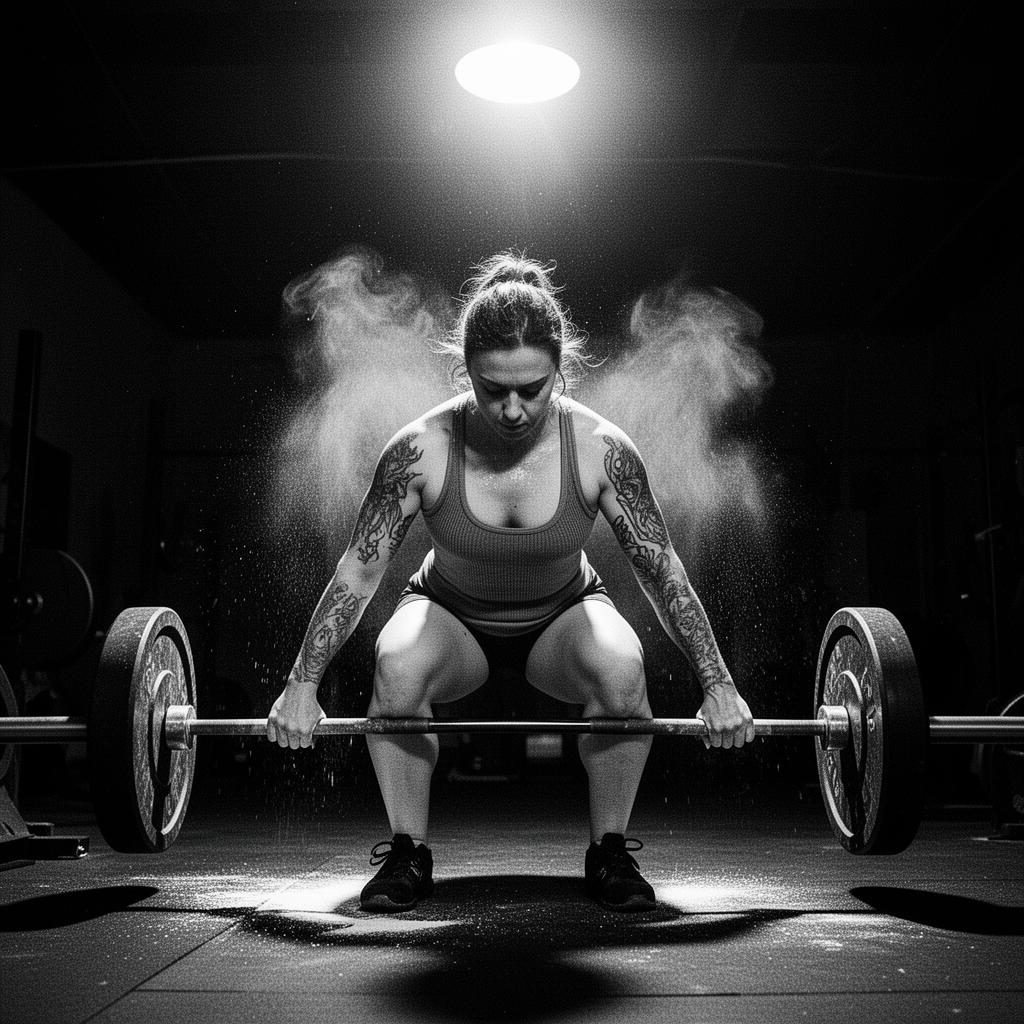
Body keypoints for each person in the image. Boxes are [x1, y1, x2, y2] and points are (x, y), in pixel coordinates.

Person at [267, 253, 755, 913]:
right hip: (450, 617)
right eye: (495, 389)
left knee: (622, 668)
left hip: (563, 617)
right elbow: (359, 569)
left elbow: (662, 570)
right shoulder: (419, 450)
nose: (516, 408)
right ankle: (408, 852)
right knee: (397, 663)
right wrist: (301, 684)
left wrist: (719, 685)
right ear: (465, 367)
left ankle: (609, 851)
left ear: (561, 366)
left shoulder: (601, 449)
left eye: (533, 387)